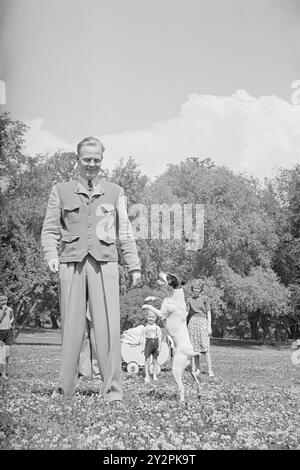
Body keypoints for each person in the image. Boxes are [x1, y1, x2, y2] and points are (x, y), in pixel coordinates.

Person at [41, 136, 141, 402]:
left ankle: (113, 393)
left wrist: (134, 266)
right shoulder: (60, 190)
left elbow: (125, 232)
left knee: (108, 329)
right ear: (78, 160)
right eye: (87, 159)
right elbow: (50, 228)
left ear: (102, 160)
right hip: (71, 264)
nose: (92, 164)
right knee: (71, 330)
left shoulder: (115, 191)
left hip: (105, 264)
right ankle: (64, 391)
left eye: (97, 159)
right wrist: (51, 254)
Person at [186, 279, 214, 378]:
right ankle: (198, 368)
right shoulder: (189, 300)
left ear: (201, 289)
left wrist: (209, 327)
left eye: (198, 288)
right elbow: (187, 312)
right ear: (192, 289)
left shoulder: (205, 299)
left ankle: (210, 370)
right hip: (193, 323)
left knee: (205, 347)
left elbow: (209, 313)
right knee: (195, 348)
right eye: (194, 288)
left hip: (203, 322)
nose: (196, 290)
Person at [142, 309, 162, 383]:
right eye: (149, 317)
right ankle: (146, 375)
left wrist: (160, 347)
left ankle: (154, 375)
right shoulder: (145, 328)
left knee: (155, 360)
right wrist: (143, 347)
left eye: (153, 317)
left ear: (155, 318)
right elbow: (144, 338)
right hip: (148, 343)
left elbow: (159, 337)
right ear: (147, 317)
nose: (151, 319)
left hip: (155, 343)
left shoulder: (157, 328)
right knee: (147, 360)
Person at [0, 295, 14, 380]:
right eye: (1, 300)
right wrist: (3, 311)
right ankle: (3, 374)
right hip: (0, 332)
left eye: (5, 300)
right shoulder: (3, 310)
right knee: (2, 354)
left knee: (7, 354)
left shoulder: (9, 309)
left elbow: (12, 317)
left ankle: (4, 371)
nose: (4, 302)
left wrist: (10, 323)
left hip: (8, 332)